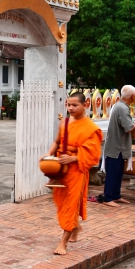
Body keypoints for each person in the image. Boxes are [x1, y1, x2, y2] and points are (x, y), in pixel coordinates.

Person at [44, 92, 102, 256]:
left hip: (76, 169)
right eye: (68, 104)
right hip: (60, 169)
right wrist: (49, 156)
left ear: (85, 105)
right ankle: (74, 226)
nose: (70, 108)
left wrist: (73, 158)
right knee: (61, 202)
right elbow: (57, 142)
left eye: (74, 105)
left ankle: (63, 242)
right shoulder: (65, 122)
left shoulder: (90, 128)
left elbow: (93, 155)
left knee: (71, 205)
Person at [102, 85, 135, 207]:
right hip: (116, 147)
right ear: (133, 96)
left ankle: (115, 195)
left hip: (117, 146)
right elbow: (128, 127)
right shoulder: (123, 108)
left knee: (118, 173)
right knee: (113, 173)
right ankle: (107, 197)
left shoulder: (119, 106)